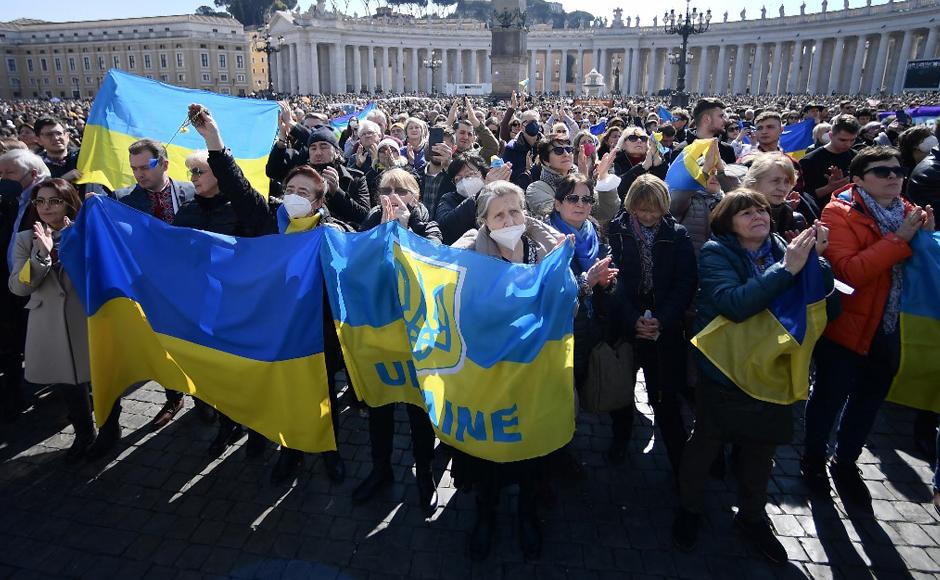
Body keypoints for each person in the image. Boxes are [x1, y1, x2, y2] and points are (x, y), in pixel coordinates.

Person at [673, 189, 833, 564]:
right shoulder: (717, 253)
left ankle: (752, 516)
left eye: (761, 209)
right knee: (707, 442)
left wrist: (817, 263)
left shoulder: (784, 247)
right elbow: (735, 304)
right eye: (745, 212)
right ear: (728, 223)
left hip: (772, 367)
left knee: (761, 450)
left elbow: (825, 304)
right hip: (726, 368)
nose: (757, 216)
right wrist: (789, 270)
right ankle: (689, 509)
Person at [802, 146, 934, 505]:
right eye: (881, 171)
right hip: (848, 322)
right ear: (858, 180)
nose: (893, 176)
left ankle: (846, 459)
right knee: (829, 397)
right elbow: (850, 271)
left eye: (897, 170)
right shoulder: (839, 212)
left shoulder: (909, 212)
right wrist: (903, 240)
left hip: (890, 325)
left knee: (869, 399)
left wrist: (925, 241)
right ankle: (813, 459)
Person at [452, 180, 566, 561]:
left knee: (530, 446)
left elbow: (564, 304)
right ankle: (486, 513)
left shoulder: (548, 246)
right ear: (484, 220)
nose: (509, 219)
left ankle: (527, 513)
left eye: (514, 211)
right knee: (489, 451)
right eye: (499, 214)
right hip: (488, 372)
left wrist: (585, 282)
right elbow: (437, 281)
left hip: (534, 370)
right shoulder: (469, 251)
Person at [177, 103, 278, 458]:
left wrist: (214, 141)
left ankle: (259, 429)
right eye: (190, 173)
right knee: (218, 372)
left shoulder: (245, 207)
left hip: (246, 304)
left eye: (199, 171)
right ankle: (226, 424)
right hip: (208, 305)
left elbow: (237, 185)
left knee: (251, 371)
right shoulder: (186, 212)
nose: (193, 178)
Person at [353, 168, 441, 514]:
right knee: (380, 407)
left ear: (414, 196)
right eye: (386, 189)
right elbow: (355, 262)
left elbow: (434, 262)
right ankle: (381, 469)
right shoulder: (372, 219)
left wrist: (402, 230)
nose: (392, 195)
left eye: (401, 190)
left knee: (419, 412)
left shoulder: (424, 223)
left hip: (416, 337)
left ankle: (425, 474)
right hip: (378, 331)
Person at [606, 175, 696, 473]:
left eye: (653, 210)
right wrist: (632, 319)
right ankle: (621, 439)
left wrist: (663, 319)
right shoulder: (616, 232)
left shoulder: (677, 234)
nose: (647, 216)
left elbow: (685, 282)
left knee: (665, 394)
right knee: (622, 388)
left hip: (663, 324)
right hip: (626, 322)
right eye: (641, 210)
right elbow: (613, 281)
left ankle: (679, 459)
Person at [269, 165, 352, 485]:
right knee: (289, 390)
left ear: (319, 202)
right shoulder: (270, 223)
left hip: (322, 329)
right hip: (284, 326)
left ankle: (329, 450)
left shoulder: (332, 230)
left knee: (324, 391)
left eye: (303, 193)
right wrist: (216, 145)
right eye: (289, 190)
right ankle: (291, 450)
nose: (294, 197)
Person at [7, 178, 94, 462]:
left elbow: (99, 274)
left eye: (54, 200)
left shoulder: (87, 232)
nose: (45, 207)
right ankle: (84, 434)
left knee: (98, 376)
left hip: (85, 318)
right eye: (39, 201)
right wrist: (41, 255)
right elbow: (19, 287)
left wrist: (74, 245)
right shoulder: (24, 239)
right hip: (49, 322)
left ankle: (108, 428)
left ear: (68, 202)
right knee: (67, 384)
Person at [0, 149, 51, 420]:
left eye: (9, 173)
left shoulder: (48, 198)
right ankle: (15, 393)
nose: (3, 178)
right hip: (11, 287)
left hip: (40, 286)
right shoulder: (9, 198)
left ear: (32, 174)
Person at [526, 137, 621, 226]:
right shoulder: (536, 188)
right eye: (558, 151)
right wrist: (581, 183)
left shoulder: (580, 179)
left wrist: (603, 177)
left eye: (568, 150)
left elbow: (605, 212)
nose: (566, 154)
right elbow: (557, 216)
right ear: (545, 161)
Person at [434, 152, 512, 245]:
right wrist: (483, 192)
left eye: (469, 175)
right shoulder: (449, 199)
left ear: (484, 175)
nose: (464, 182)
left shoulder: (501, 192)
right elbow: (444, 226)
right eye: (458, 179)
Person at [742, 152, 809, 238]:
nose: (782, 188)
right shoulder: (734, 216)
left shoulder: (794, 220)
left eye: (787, 182)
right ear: (754, 182)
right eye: (775, 181)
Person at [800, 114, 860, 208]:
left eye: (852, 140)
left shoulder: (857, 157)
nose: (848, 144)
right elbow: (804, 196)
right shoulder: (810, 161)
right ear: (831, 135)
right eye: (843, 140)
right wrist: (829, 188)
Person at [613, 127, 668, 199]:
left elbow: (664, 183)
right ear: (623, 144)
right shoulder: (615, 161)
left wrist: (656, 159)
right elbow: (617, 188)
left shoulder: (655, 157)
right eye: (633, 138)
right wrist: (642, 167)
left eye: (643, 138)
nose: (639, 141)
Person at [33, 117, 81, 184]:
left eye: (59, 133)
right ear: (39, 140)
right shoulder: (36, 166)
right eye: (49, 135)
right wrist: (62, 180)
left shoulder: (83, 156)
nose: (55, 138)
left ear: (67, 136)